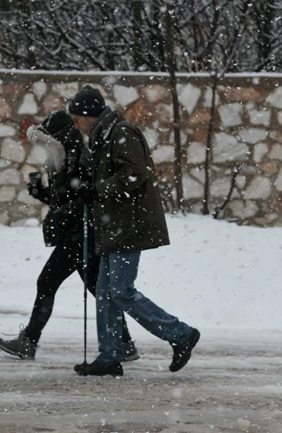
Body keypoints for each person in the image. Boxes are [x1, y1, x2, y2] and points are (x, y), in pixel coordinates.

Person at [68, 86, 201, 377]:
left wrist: (98, 189)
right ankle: (110, 356)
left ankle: (180, 334)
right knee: (105, 293)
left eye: (78, 118)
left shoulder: (122, 133)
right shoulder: (103, 136)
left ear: (91, 115)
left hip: (129, 225)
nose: (76, 124)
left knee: (121, 291)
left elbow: (134, 173)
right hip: (113, 226)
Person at [0, 110, 139, 362]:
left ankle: (29, 341)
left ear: (56, 140)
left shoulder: (77, 159)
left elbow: (84, 200)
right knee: (99, 290)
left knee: (47, 282)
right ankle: (125, 344)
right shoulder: (66, 158)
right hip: (79, 236)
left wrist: (63, 210)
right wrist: (40, 191)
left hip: (79, 237)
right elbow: (64, 199)